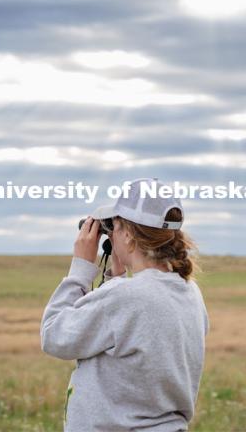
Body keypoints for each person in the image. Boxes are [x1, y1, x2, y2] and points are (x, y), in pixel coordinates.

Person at [40, 178, 210, 432]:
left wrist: (80, 271)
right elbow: (133, 340)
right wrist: (114, 280)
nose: (111, 234)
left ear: (128, 235)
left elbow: (54, 335)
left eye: (115, 226)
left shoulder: (126, 297)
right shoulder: (188, 291)